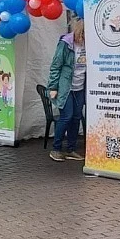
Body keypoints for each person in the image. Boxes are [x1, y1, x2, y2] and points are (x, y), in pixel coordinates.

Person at [47, 19, 86, 161]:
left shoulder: (89, 44)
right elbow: (55, 65)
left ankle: (71, 149)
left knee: (76, 117)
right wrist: (53, 87)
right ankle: (56, 149)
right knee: (66, 116)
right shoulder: (66, 43)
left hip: (80, 87)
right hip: (66, 88)